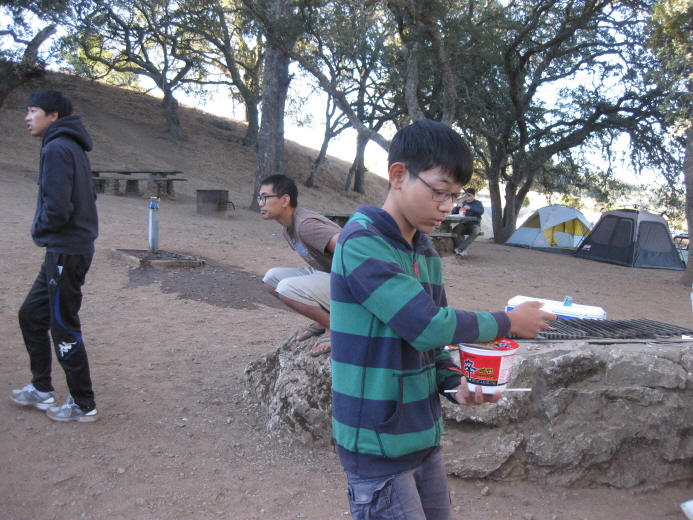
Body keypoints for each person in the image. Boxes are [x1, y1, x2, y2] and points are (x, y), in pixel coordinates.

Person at [330, 119, 555, 520]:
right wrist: (508, 321)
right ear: (398, 175)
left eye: (455, 196)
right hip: (377, 443)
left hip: (420, 438)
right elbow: (427, 325)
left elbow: (434, 346)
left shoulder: (426, 254)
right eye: (440, 191)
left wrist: (455, 386)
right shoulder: (362, 242)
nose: (448, 206)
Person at [10, 90, 99, 423]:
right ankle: (41, 388)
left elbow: (59, 207)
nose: (27, 117)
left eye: (33, 111)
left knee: (63, 325)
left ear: (53, 116)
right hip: (64, 250)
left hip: (67, 251)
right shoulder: (68, 146)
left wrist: (41, 228)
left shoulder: (57, 148)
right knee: (31, 315)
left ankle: (83, 403)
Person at [259, 174, 341, 356]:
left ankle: (335, 327)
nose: (260, 203)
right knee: (271, 279)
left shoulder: (307, 226)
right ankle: (322, 320)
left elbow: (352, 248)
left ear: (285, 200)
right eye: (260, 198)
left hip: (350, 280)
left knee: (286, 288)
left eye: (265, 197)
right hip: (326, 273)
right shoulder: (288, 228)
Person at [451, 187, 484, 257]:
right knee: (455, 230)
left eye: (470, 196)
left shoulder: (478, 203)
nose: (468, 198)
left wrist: (470, 208)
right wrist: (457, 207)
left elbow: (481, 211)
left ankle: (460, 248)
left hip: (474, 224)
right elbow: (453, 212)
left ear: (474, 196)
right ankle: (462, 249)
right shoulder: (463, 203)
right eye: (466, 196)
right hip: (463, 224)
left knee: (475, 232)